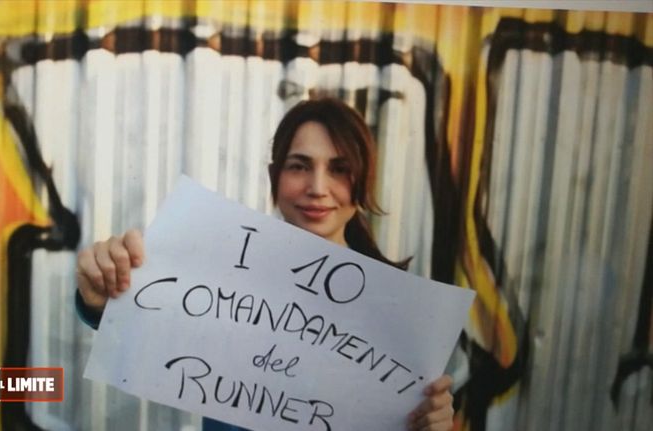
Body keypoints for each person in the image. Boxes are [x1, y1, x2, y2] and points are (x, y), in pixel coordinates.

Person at [76, 98, 455, 431]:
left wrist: (431, 424)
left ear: (363, 180)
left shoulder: (400, 313)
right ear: (275, 177)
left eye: (339, 169)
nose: (317, 187)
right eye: (299, 166)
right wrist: (100, 299)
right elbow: (149, 324)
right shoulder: (222, 280)